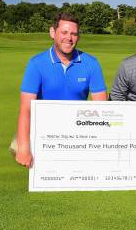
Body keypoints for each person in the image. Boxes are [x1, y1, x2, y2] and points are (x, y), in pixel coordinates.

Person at [15, 12, 107, 168]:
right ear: (53, 32)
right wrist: (23, 147)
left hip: (79, 134)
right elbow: (26, 109)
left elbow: (101, 108)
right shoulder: (36, 63)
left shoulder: (91, 63)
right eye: (64, 32)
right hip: (44, 135)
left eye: (74, 34)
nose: (69, 38)